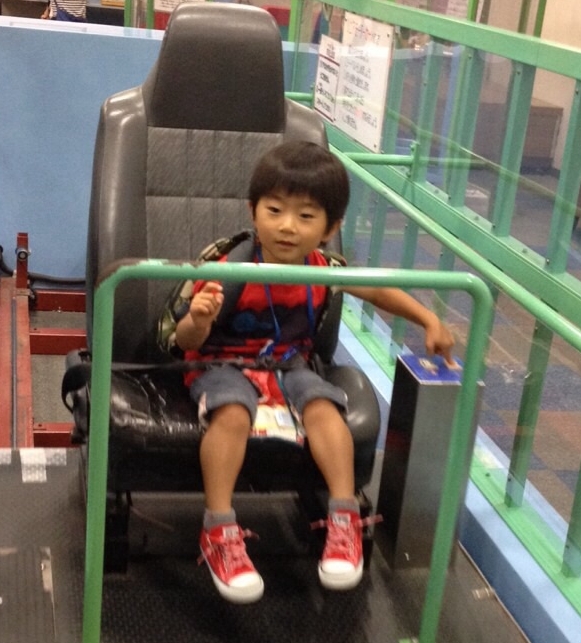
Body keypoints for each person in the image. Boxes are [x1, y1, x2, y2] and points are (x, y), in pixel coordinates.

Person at [173, 140, 456, 604]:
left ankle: (344, 519)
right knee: (232, 413)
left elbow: (378, 290)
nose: (288, 226)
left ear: (331, 227)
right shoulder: (226, 270)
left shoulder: (323, 268)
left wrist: (428, 320)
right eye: (275, 211)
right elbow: (186, 341)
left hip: (290, 364)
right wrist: (200, 319)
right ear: (253, 211)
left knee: (325, 408)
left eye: (306, 216)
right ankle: (218, 528)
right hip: (224, 362)